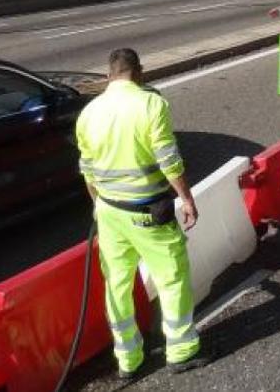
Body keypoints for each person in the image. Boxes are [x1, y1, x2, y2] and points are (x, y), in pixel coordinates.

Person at [76, 48, 211, 379]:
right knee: (172, 277)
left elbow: (88, 171)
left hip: (109, 212)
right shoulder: (151, 104)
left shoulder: (89, 113)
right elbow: (169, 161)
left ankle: (128, 360)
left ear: (109, 75)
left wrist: (98, 205)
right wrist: (187, 198)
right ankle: (180, 350)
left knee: (117, 285)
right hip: (147, 211)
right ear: (139, 72)